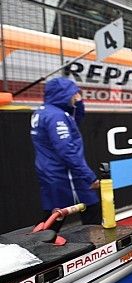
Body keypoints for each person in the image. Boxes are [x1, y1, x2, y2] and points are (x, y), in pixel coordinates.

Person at [30, 77, 100, 225]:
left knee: (53, 217)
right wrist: (90, 177)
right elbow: (67, 150)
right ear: (63, 94)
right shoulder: (57, 116)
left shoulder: (44, 111)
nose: (76, 96)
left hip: (52, 173)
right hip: (67, 177)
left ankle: (40, 244)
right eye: (73, 93)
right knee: (89, 212)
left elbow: (75, 122)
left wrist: (79, 102)